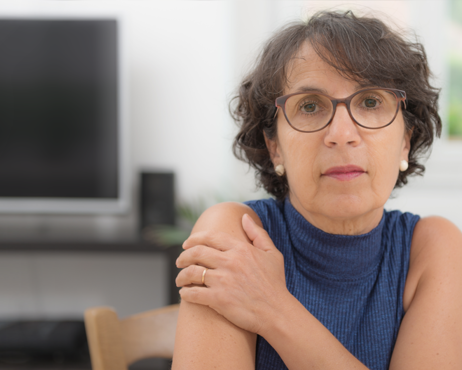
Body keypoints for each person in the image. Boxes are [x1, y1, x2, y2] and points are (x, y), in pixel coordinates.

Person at [171, 10, 462, 370]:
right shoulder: (235, 235)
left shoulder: (433, 247)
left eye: (371, 102)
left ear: (405, 140)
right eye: (310, 106)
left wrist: (273, 309)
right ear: (274, 145)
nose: (342, 134)